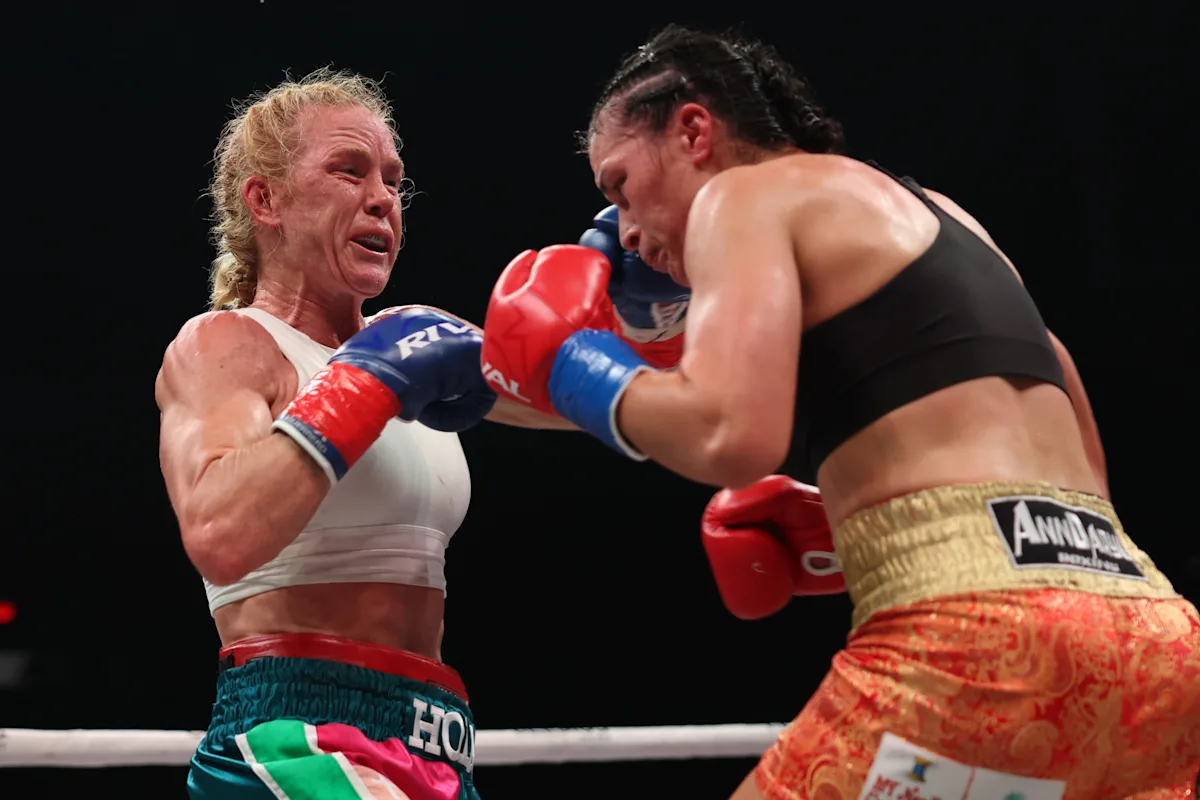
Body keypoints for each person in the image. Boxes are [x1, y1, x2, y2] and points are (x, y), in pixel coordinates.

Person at [478, 24, 1200, 800]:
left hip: (976, 646)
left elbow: (728, 433)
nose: (624, 231)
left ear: (693, 131)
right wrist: (862, 518)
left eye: (621, 187)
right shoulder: (951, 220)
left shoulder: (741, 194)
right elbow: (1076, 447)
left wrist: (573, 363)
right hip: (1155, 650)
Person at [156, 68, 542, 800]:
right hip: (297, 738)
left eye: (394, 180)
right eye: (349, 170)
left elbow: (614, 410)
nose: (383, 198)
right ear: (266, 200)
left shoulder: (415, 345)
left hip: (434, 737)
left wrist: (654, 307)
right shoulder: (229, 345)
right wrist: (362, 385)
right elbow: (218, 530)